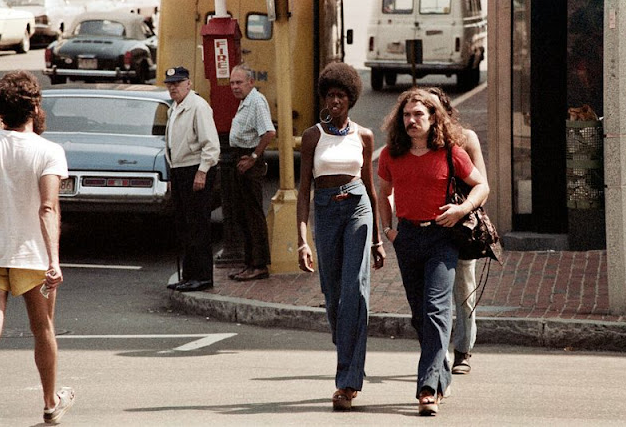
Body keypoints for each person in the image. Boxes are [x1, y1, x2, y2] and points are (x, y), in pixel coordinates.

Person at [377, 88, 489, 416]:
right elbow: (383, 193)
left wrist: (462, 208)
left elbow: (481, 185)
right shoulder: (390, 154)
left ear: (432, 118)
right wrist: (389, 230)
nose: (411, 121)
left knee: (437, 309)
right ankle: (440, 371)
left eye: (418, 115)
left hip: (443, 238)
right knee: (418, 314)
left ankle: (428, 388)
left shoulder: (452, 152)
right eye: (407, 116)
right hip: (408, 237)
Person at [297, 62, 385, 411]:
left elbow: (371, 189)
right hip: (325, 210)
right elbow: (303, 190)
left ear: (351, 100)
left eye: (341, 96)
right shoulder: (312, 136)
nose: (335, 102)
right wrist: (303, 239)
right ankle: (346, 344)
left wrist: (377, 239)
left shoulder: (363, 136)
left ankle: (348, 382)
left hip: (358, 210)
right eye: (330, 95)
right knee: (333, 297)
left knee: (354, 291)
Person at [0, 70, 75, 424]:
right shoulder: (49, 151)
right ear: (35, 108)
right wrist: (54, 260)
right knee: (43, 327)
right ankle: (49, 401)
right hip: (32, 252)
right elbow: (48, 208)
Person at [425, 86, 488, 375]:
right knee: (435, 292)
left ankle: (463, 348)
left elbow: (482, 185)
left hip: (461, 224)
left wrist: (463, 210)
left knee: (463, 285)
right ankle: (438, 352)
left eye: (435, 109)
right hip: (430, 225)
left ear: (447, 112)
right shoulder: (419, 142)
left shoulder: (466, 139)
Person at [164, 66, 220, 292]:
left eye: (177, 84)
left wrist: (202, 171)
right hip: (179, 170)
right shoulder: (175, 108)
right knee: (184, 225)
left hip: (194, 169)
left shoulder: (198, 107)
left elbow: (211, 145)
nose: (173, 88)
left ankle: (203, 276)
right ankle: (188, 274)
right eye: (169, 85)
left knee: (198, 225)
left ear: (188, 83)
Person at [228, 63, 276, 281]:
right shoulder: (244, 102)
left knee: (253, 214)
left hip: (249, 159)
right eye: (232, 83)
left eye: (239, 82)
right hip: (240, 157)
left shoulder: (256, 101)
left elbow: (268, 132)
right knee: (243, 214)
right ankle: (249, 263)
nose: (235, 87)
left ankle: (259, 264)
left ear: (250, 82)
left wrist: (254, 157)